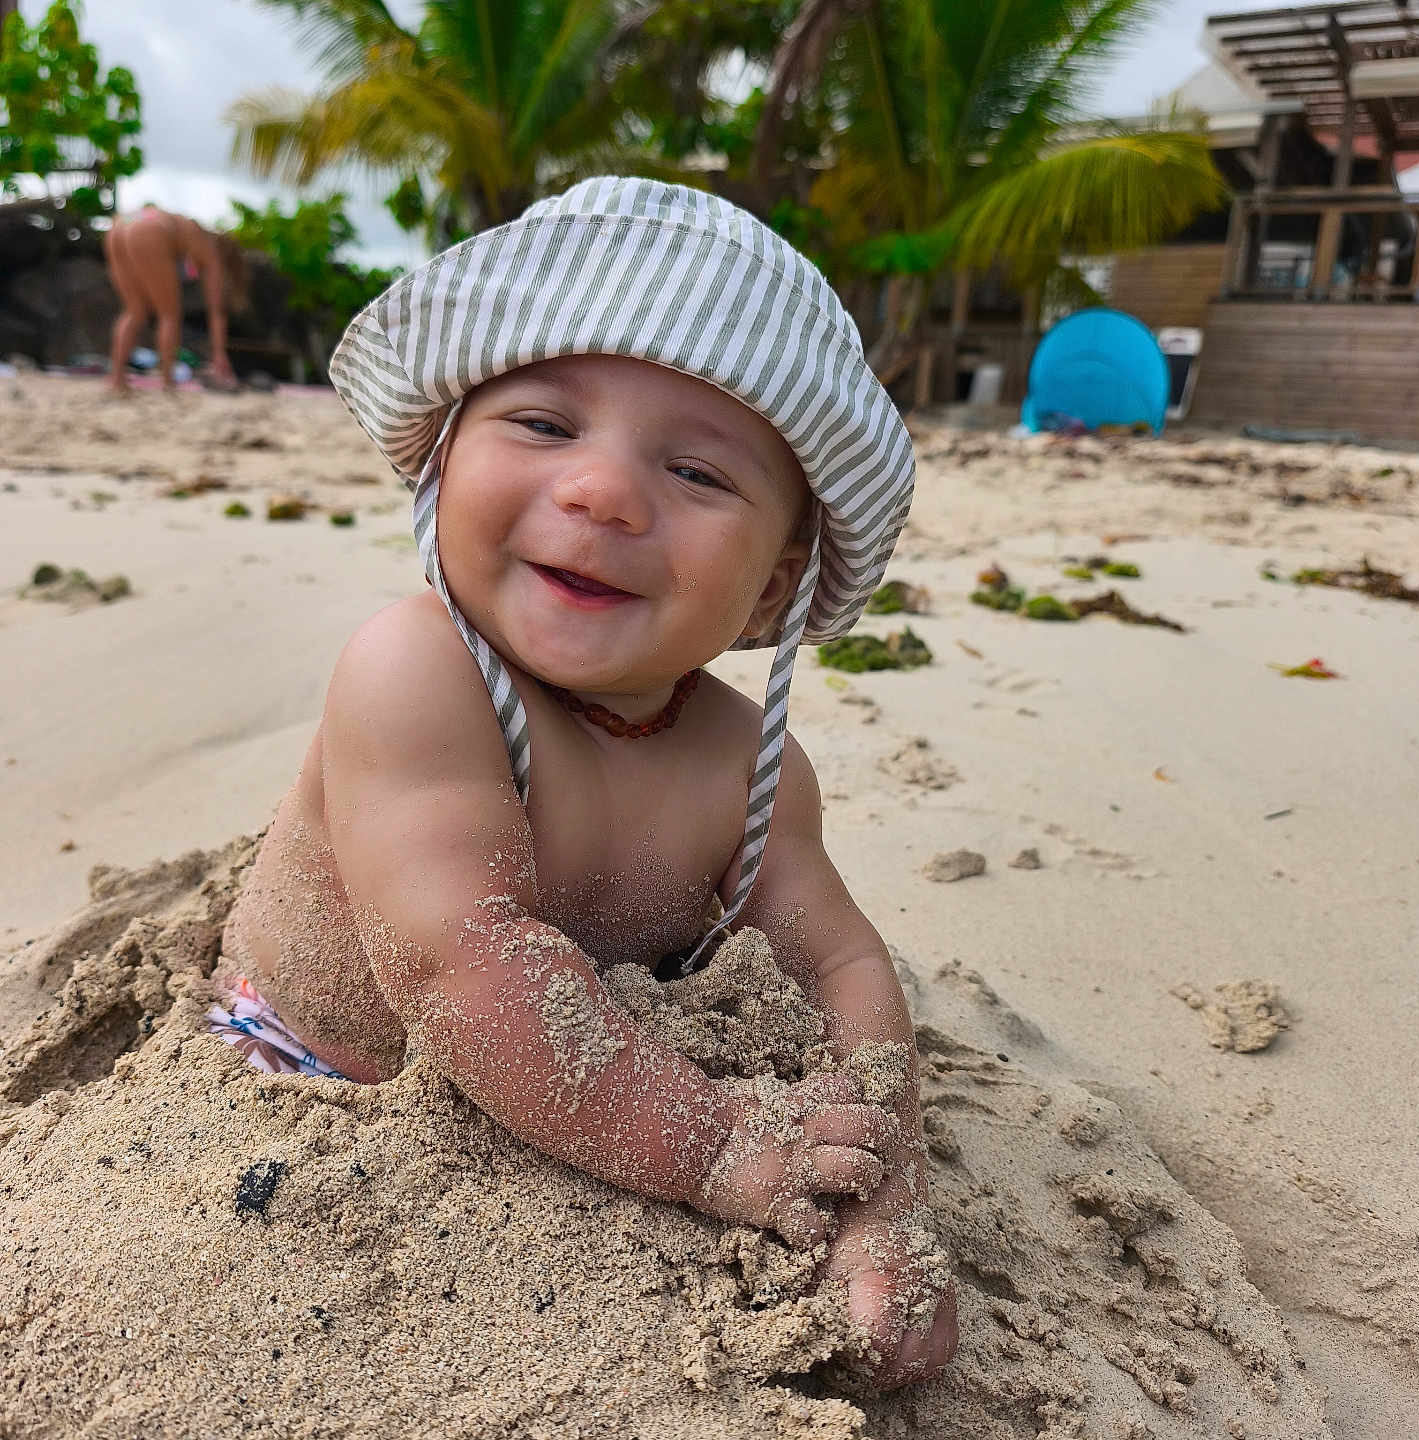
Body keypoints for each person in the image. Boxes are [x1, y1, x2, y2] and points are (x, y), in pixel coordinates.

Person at [215, 177, 958, 1387]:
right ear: (442, 460)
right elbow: (460, 964)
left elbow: (838, 963)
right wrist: (720, 1147)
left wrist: (884, 1188)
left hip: (614, 1096)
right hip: (325, 1077)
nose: (603, 491)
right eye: (546, 427)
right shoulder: (420, 671)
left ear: (774, 588)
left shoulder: (744, 763)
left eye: (700, 475)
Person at [103, 206, 244, 393]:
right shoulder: (211, 250)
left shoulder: (187, 227)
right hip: (148, 228)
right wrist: (219, 354)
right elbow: (216, 310)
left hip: (123, 223)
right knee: (169, 314)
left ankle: (117, 378)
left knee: (134, 311)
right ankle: (168, 381)